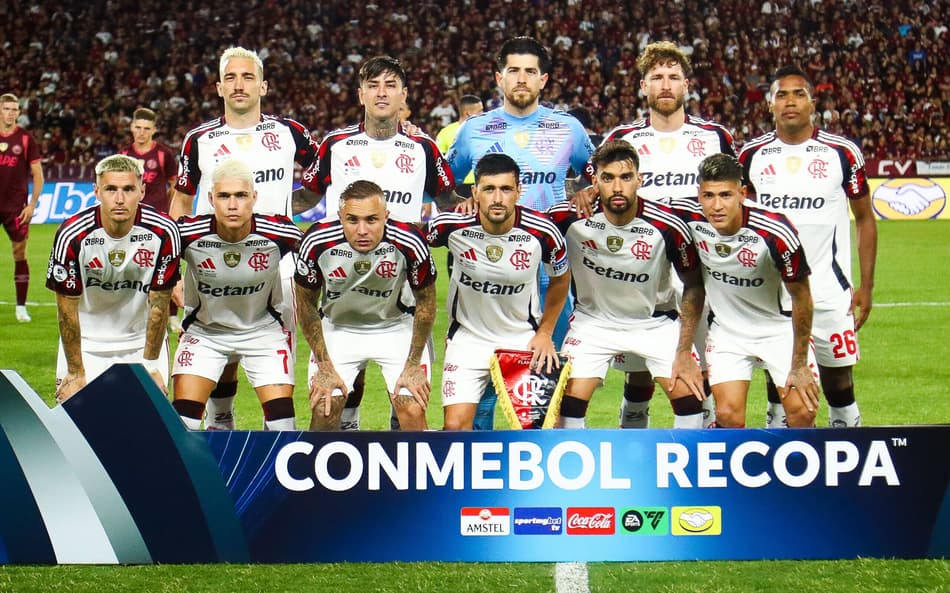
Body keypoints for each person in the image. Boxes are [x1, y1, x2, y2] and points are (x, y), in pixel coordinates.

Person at [580, 41, 736, 429]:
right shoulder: (622, 137)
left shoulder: (716, 136)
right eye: (656, 78)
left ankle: (708, 431)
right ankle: (634, 424)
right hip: (642, 267)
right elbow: (593, 190)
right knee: (640, 363)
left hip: (704, 267)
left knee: (706, 358)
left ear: (686, 85)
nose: (665, 85)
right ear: (643, 87)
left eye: (673, 77)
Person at [446, 36, 593, 429]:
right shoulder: (474, 130)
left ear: (543, 79)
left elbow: (596, 175)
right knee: (479, 390)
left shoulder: (568, 129)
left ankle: (546, 475)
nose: (522, 79)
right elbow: (447, 183)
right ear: (499, 77)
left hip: (551, 272)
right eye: (514, 70)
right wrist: (463, 201)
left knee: (549, 384)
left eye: (530, 71)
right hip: (487, 273)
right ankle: (475, 477)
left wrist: (584, 192)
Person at [169, 46, 319, 429]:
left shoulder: (290, 132)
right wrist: (174, 267)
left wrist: (290, 208)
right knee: (218, 349)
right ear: (219, 87)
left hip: (277, 268)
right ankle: (222, 421)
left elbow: (323, 177)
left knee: (272, 357)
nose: (239, 85)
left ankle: (266, 434)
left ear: (263, 86)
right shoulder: (199, 139)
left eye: (248, 76)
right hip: (211, 265)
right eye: (231, 78)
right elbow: (182, 201)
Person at [310, 55, 455, 431]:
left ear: (404, 95)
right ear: (360, 94)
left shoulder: (422, 147)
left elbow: (449, 200)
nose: (381, 93)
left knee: (408, 405)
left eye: (390, 85)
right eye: (373, 85)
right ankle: (341, 454)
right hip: (342, 291)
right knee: (333, 404)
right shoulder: (335, 144)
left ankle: (404, 474)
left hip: (401, 297)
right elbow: (306, 199)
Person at [739, 64, 876, 428]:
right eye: (781, 94)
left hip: (830, 292)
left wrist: (866, 286)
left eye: (798, 94)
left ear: (813, 103)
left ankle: (847, 451)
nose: (790, 101)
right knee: (780, 388)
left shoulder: (842, 153)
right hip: (774, 293)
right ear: (769, 105)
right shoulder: (752, 155)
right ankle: (782, 458)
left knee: (840, 387)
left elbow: (864, 219)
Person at [548, 140, 706, 428]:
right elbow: (525, 226)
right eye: (607, 178)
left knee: (691, 399)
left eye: (626, 177)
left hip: (655, 323)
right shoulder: (568, 217)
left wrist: (684, 351)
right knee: (565, 404)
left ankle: (683, 466)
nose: (617, 187)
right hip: (592, 322)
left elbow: (694, 285)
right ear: (594, 182)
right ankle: (575, 469)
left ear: (639, 180)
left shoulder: (666, 225)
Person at [672, 154, 819, 428]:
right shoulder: (686, 216)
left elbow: (802, 297)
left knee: (802, 412)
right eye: (708, 195)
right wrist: (591, 191)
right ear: (698, 195)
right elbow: (636, 205)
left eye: (726, 195)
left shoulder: (776, 232)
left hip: (779, 328)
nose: (716, 206)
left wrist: (799, 365)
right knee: (727, 416)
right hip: (729, 332)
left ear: (742, 193)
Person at [426, 153, 570, 430]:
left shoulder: (543, 232)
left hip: (522, 338)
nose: (497, 198)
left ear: (518, 191)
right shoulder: (450, 226)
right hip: (467, 339)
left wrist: (545, 332)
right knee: (455, 428)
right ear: (475, 192)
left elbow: (561, 279)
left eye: (505, 189)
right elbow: (412, 248)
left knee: (539, 429)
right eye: (489, 189)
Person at [296, 180, 437, 431]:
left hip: (395, 327)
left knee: (412, 407)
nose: (362, 230)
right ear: (340, 217)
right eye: (352, 220)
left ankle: (411, 470)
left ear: (386, 217)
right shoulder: (317, 240)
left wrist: (413, 364)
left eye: (371, 220)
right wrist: (325, 367)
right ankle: (322, 468)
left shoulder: (409, 240)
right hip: (339, 328)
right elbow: (305, 304)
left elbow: (426, 302)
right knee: (324, 408)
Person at [171, 159, 300, 431]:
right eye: (224, 196)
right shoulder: (186, 233)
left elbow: (317, 256)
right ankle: (220, 425)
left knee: (283, 426)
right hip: (205, 333)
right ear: (210, 199)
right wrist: (172, 281)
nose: (232, 204)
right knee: (183, 425)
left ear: (254, 198)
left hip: (262, 331)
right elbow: (155, 262)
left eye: (241, 195)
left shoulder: (280, 232)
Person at [46, 154, 180, 401]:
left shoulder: (164, 231)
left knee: (146, 427)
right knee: (76, 425)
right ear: (97, 191)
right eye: (111, 189)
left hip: (141, 343)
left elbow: (159, 305)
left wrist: (150, 366)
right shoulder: (72, 234)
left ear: (142, 191)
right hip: (87, 342)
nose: (119, 199)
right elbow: (66, 310)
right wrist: (75, 371)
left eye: (128, 189)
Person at [119, 107, 181, 331]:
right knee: (132, 266)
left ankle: (172, 315)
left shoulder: (163, 154)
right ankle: (134, 313)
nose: (141, 133)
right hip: (131, 221)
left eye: (147, 129)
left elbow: (175, 184)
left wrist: (168, 210)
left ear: (154, 130)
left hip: (157, 221)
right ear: (131, 128)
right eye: (138, 128)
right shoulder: (124, 156)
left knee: (164, 267)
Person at [0, 93, 44, 323]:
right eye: (6, 108)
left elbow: (38, 175)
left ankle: (20, 307)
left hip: (16, 207)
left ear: (19, 112)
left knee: (19, 254)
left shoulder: (26, 139)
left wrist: (33, 204)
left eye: (14, 109)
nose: (10, 113)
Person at [435, 94, 483, 197]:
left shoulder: (485, 132)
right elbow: (439, 162)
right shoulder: (446, 132)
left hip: (481, 184)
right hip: (457, 187)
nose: (483, 114)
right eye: (480, 111)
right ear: (468, 113)